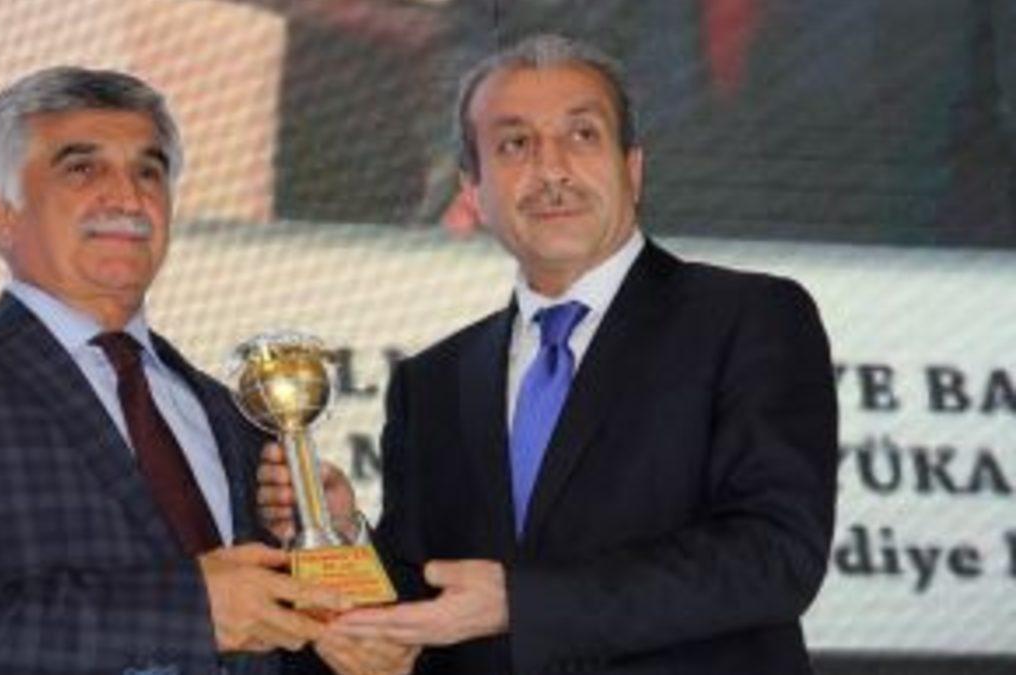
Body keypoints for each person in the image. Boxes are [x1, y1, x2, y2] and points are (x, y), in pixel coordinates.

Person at [258, 34, 837, 674]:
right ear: (473, 191)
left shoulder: (750, 318)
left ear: (633, 168)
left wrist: (521, 604)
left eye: (582, 135)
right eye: (515, 144)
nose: (551, 170)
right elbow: (431, 602)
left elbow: (775, 555)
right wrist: (342, 537)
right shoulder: (433, 381)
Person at [0, 66, 415, 675]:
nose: (129, 199)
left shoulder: (229, 413)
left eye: (148, 172)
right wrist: (191, 611)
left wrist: (337, 548)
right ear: (0, 212)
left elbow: (272, 652)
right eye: (83, 169)